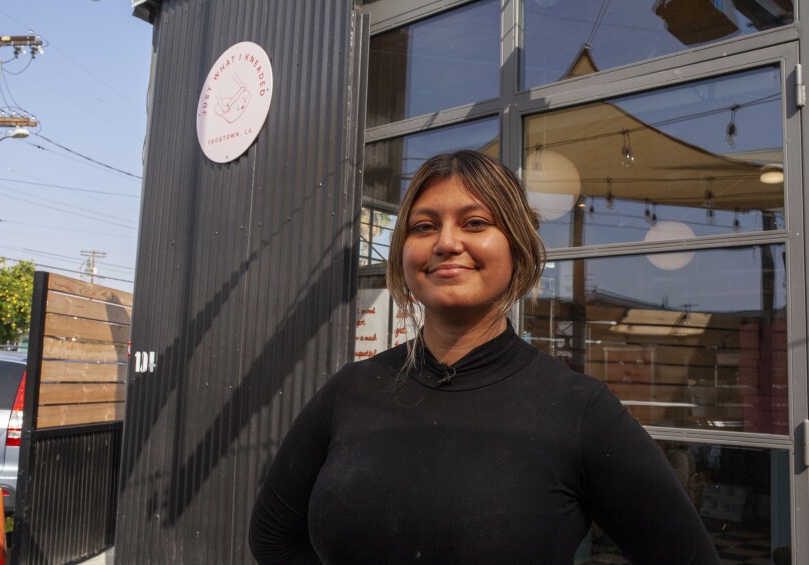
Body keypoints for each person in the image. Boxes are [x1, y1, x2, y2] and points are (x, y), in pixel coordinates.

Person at [248, 150, 720, 564]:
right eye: (423, 226)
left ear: (516, 247)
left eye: (475, 222)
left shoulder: (579, 411)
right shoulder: (350, 391)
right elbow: (272, 538)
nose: (446, 243)